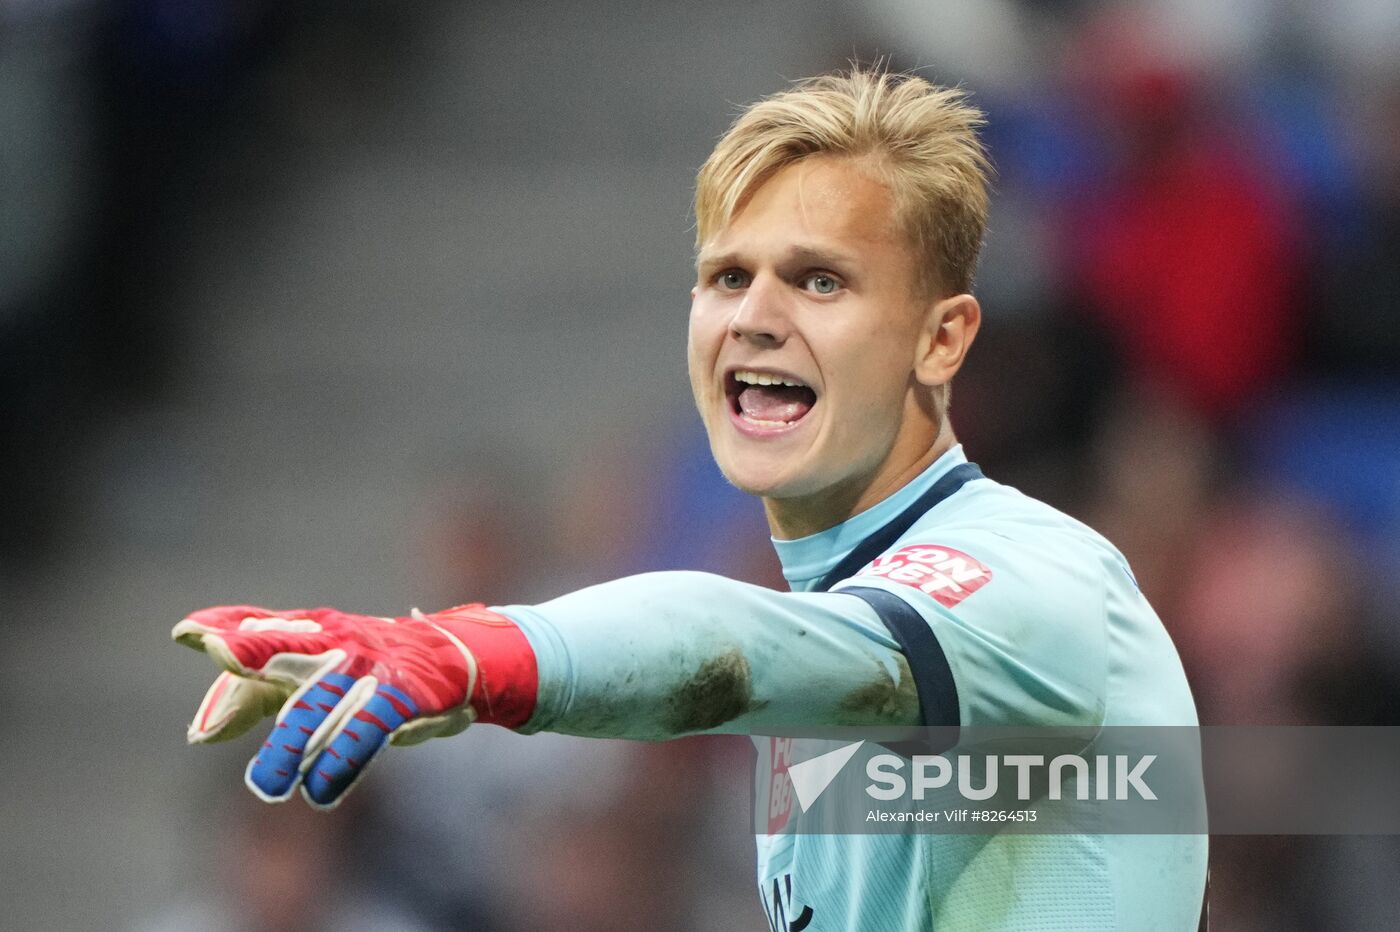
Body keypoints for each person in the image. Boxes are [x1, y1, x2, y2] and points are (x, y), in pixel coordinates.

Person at [173, 69, 1207, 930]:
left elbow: (733, 649)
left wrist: (475, 650)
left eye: (819, 280)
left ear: (940, 337)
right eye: (725, 276)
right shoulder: (831, 664)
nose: (752, 315)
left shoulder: (1032, 578)